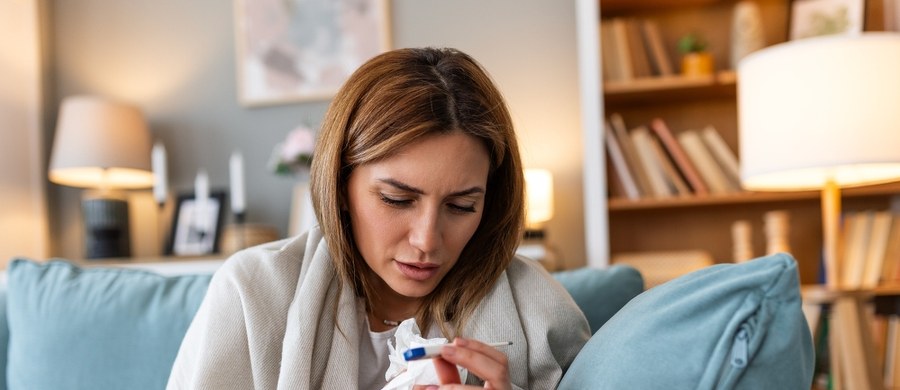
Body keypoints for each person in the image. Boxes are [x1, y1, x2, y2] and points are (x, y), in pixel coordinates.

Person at [167, 47, 590, 389]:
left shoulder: (542, 312)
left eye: (461, 206)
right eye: (396, 200)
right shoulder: (252, 295)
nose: (427, 240)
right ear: (341, 185)